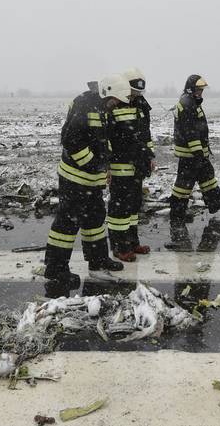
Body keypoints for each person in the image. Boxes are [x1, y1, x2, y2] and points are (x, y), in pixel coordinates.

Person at [43, 75, 131, 289]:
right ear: (106, 92)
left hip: (90, 181)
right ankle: (56, 270)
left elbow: (100, 141)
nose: (116, 105)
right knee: (67, 225)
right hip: (74, 179)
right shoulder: (86, 106)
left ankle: (98, 262)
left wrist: (104, 167)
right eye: (115, 100)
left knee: (95, 220)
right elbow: (71, 141)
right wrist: (95, 165)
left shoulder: (101, 107)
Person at [169, 74, 220, 231]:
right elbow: (190, 132)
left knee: (207, 175)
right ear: (191, 89)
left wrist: (201, 153)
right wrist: (198, 153)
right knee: (184, 185)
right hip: (190, 153)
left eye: (202, 90)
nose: (201, 93)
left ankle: (214, 203)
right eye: (198, 90)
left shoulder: (192, 101)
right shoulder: (187, 103)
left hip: (197, 152)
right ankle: (177, 214)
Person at [106, 68, 154, 261]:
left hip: (138, 166)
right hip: (120, 165)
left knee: (134, 205)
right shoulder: (114, 106)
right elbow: (107, 137)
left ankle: (132, 243)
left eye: (139, 92)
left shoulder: (141, 105)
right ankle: (119, 247)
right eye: (133, 92)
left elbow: (145, 134)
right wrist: (107, 166)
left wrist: (150, 156)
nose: (136, 95)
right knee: (120, 209)